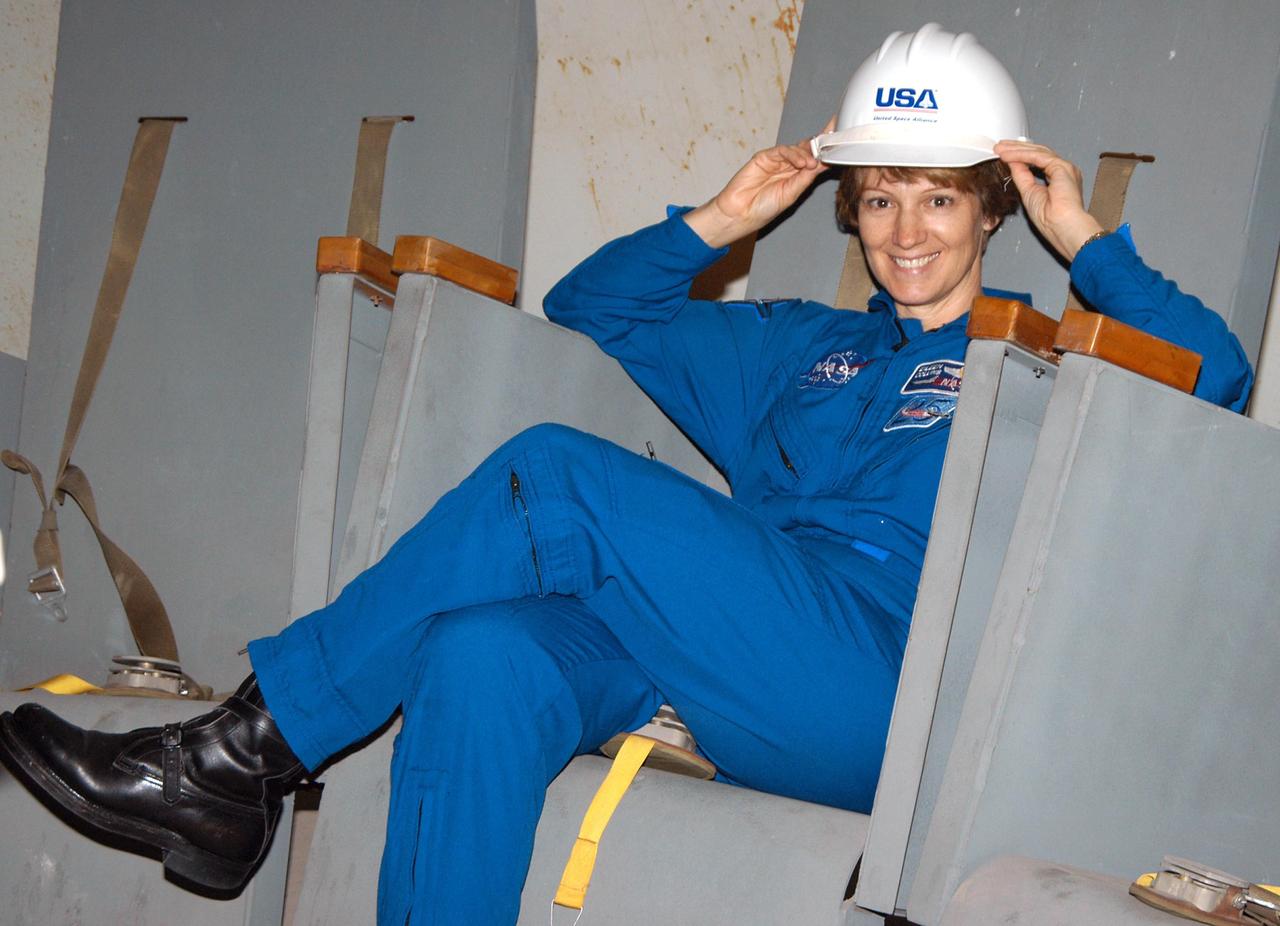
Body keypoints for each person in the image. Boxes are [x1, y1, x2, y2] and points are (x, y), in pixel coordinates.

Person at [0, 22, 1253, 926]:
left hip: (877, 687)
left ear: (990, 208)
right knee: (480, 651)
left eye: (937, 199)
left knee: (558, 475)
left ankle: (241, 752)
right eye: (878, 201)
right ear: (850, 211)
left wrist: (1086, 242)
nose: (907, 232)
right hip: (716, 651)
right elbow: (590, 307)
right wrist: (716, 222)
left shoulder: (1035, 356)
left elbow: (1215, 375)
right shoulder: (793, 347)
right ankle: (253, 783)